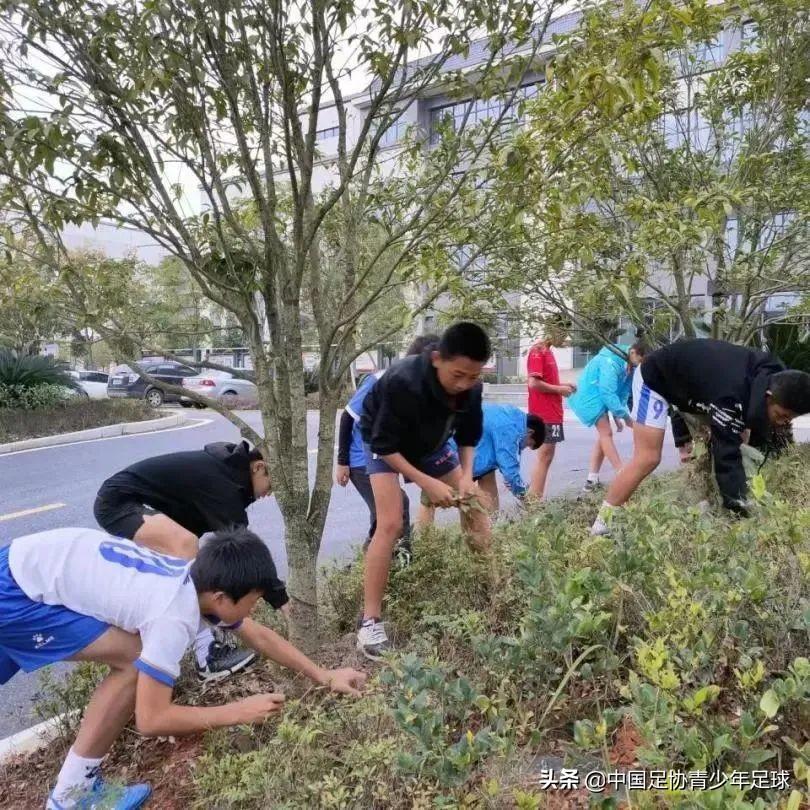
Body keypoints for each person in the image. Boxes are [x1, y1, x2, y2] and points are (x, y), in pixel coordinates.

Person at [0, 526, 366, 810]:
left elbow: (261, 638)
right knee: (132, 660)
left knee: (132, 653)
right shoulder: (172, 614)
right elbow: (151, 719)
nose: (254, 611)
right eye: (253, 602)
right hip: (18, 592)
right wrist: (237, 711)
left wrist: (324, 675)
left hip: (29, 566)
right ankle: (70, 795)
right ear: (222, 599)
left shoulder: (196, 581)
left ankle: (74, 788)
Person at [356, 322, 493, 659]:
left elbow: (468, 437)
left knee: (472, 504)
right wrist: (426, 482)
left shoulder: (472, 387)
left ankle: (495, 585)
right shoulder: (403, 381)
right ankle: (370, 624)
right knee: (390, 524)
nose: (464, 384)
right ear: (436, 359)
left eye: (472, 376)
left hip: (431, 443)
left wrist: (466, 478)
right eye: (457, 374)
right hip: (384, 444)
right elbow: (384, 444)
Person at [94, 441, 281, 681]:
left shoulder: (231, 478)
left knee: (175, 569)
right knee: (185, 546)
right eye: (272, 483)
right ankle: (207, 657)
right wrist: (279, 597)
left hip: (145, 506)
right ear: (258, 467)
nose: (271, 493)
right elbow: (243, 548)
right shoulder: (223, 483)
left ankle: (154, 650)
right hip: (118, 503)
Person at [591, 338, 810, 535]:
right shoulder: (731, 396)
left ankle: (705, 502)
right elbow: (727, 458)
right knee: (648, 458)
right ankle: (601, 524)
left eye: (789, 419)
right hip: (657, 378)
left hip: (699, 385)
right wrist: (742, 514)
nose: (782, 423)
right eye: (782, 416)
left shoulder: (775, 376)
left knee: (739, 437)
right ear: (768, 397)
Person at [334, 335, 440, 564]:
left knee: (392, 511)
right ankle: (394, 564)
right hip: (360, 459)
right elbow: (347, 417)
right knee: (390, 514)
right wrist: (342, 462)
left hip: (384, 455)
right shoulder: (380, 379)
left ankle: (392, 563)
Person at [418, 404, 545, 526]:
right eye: (529, 444)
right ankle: (423, 540)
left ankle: (493, 528)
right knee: (430, 498)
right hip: (448, 448)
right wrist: (527, 499)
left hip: (473, 450)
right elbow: (510, 472)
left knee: (487, 481)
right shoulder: (511, 429)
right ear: (530, 432)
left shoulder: (512, 414)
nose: (523, 448)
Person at [567, 342, 646, 492]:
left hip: (601, 398)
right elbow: (607, 392)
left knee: (604, 437)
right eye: (640, 361)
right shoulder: (610, 361)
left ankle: (591, 479)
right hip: (590, 396)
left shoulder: (629, 364)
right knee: (606, 434)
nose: (640, 365)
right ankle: (621, 474)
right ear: (633, 352)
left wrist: (619, 415)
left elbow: (622, 392)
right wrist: (625, 418)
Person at [526, 327, 576, 499]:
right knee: (544, 456)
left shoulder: (548, 351)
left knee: (546, 457)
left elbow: (547, 381)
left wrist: (563, 385)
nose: (564, 338)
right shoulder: (537, 351)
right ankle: (534, 501)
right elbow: (533, 383)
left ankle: (535, 498)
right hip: (543, 413)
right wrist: (559, 390)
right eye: (563, 333)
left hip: (553, 412)